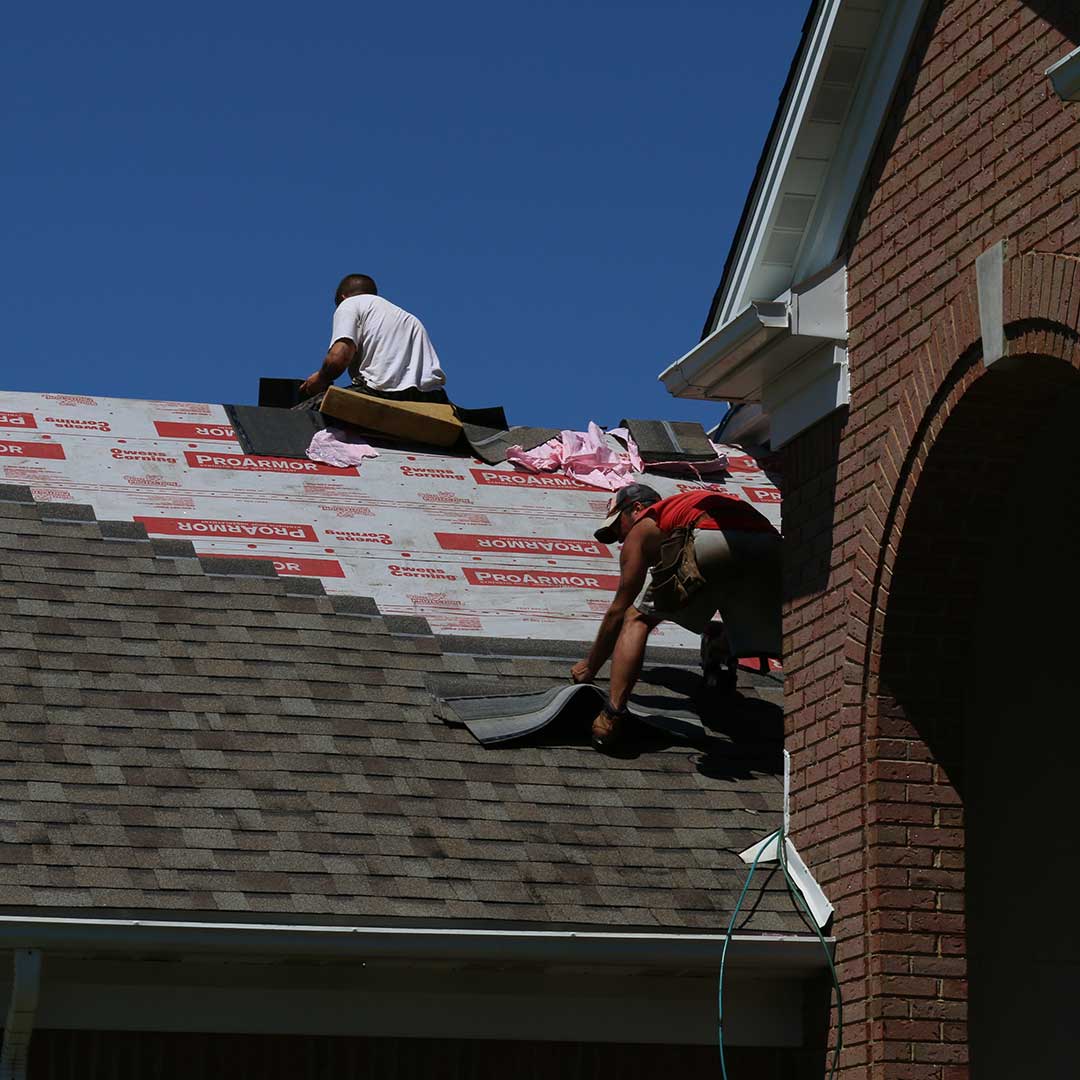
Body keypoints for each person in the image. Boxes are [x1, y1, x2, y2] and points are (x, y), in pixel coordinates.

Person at [571, 482, 781, 750]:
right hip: (770, 546)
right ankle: (720, 647)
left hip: (710, 535)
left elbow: (618, 610)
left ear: (636, 509)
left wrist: (590, 667)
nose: (621, 540)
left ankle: (612, 715)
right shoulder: (686, 507)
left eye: (618, 528)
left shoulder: (647, 522)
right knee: (752, 629)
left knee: (636, 618)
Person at [298, 274, 448, 404]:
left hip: (382, 392)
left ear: (343, 297)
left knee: (305, 413)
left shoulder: (350, 304)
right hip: (431, 398)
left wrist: (321, 378)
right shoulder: (410, 319)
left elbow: (339, 357)